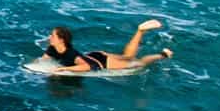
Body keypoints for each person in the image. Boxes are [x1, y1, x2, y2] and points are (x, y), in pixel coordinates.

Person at [40, 19, 171, 74]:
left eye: (52, 36)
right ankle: (141, 33)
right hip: (93, 55)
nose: (49, 37)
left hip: (101, 61)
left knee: (138, 63)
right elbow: (43, 60)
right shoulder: (52, 48)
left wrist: (63, 70)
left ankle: (162, 54)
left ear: (61, 40)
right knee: (127, 56)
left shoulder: (70, 53)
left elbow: (86, 67)